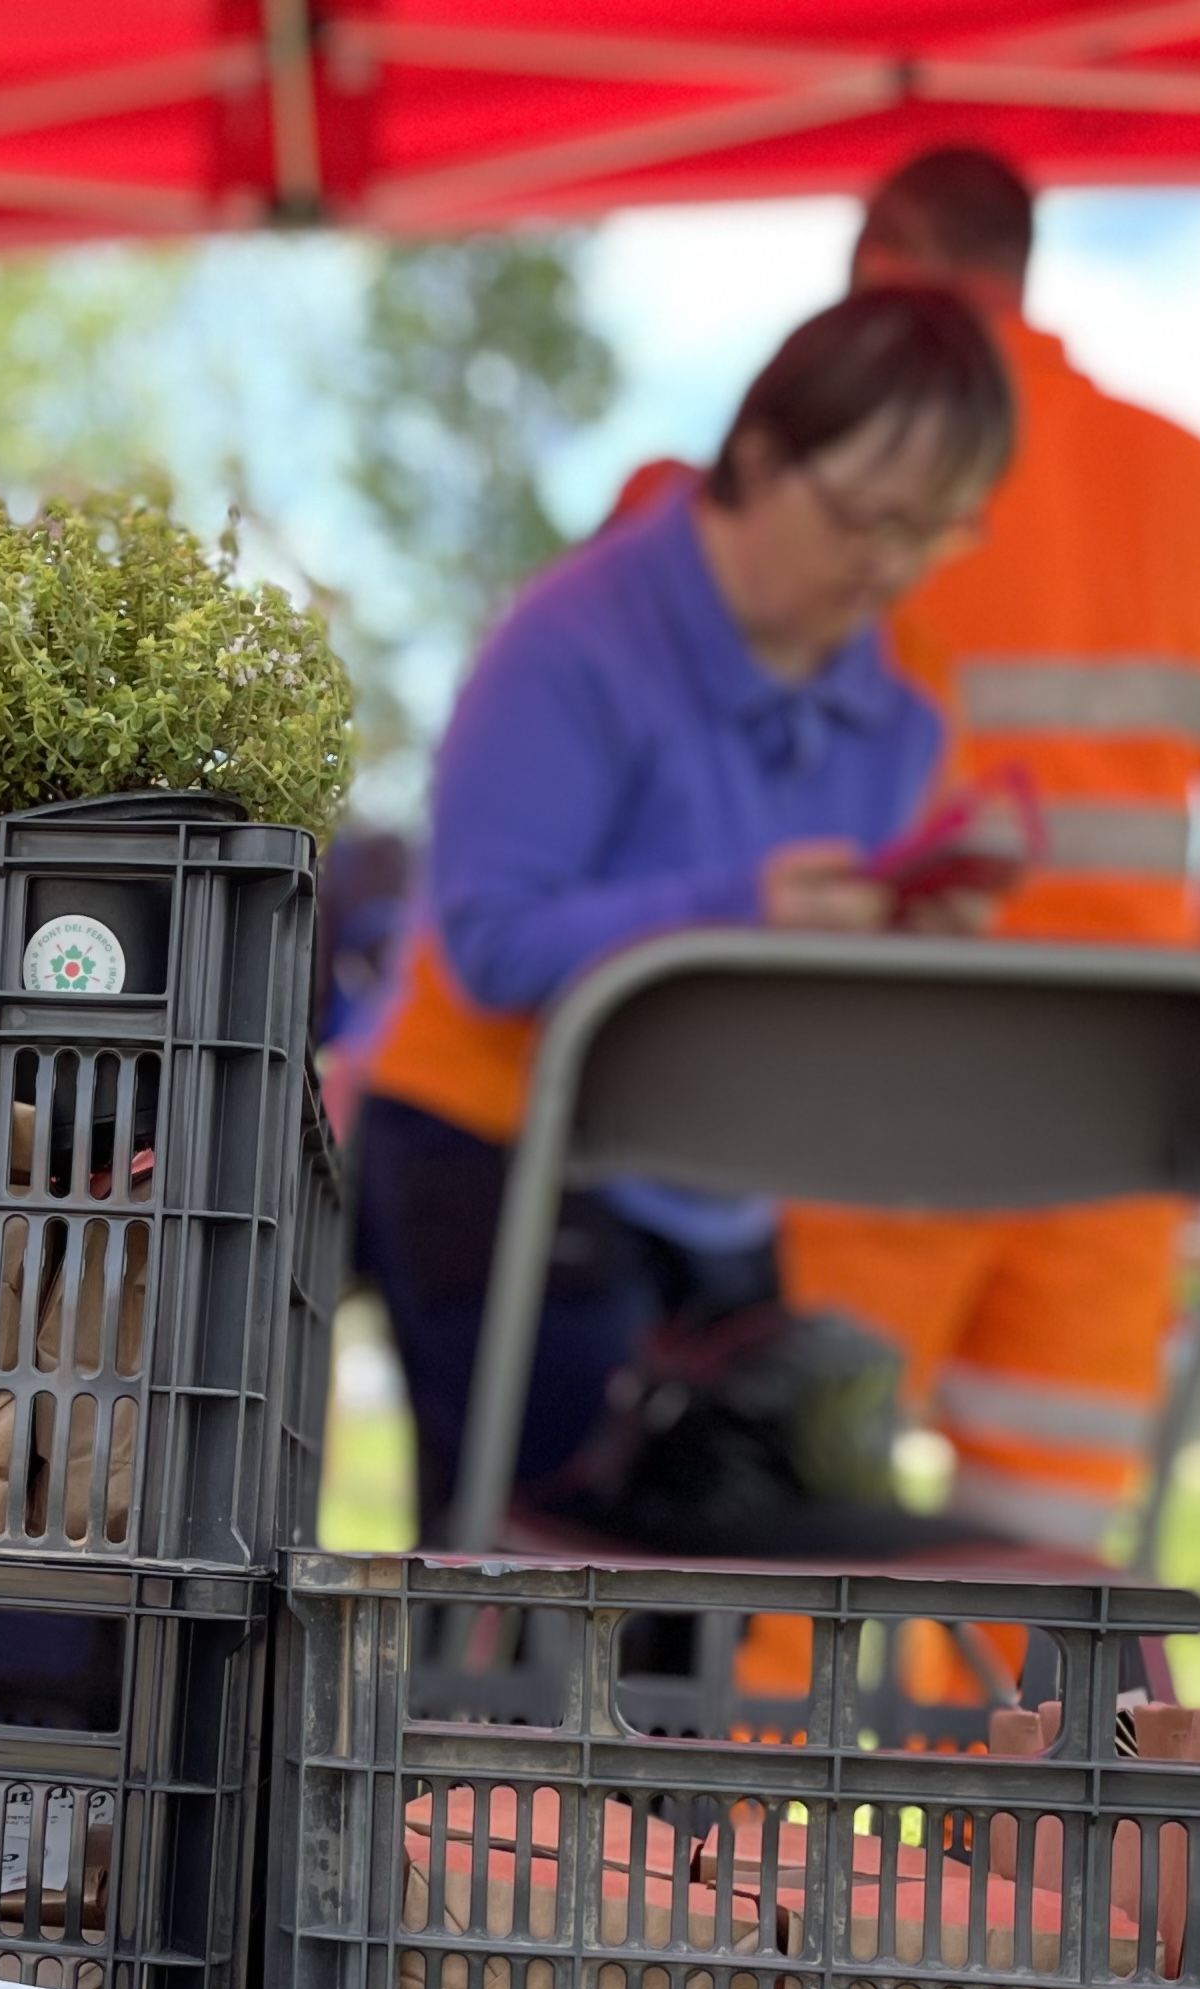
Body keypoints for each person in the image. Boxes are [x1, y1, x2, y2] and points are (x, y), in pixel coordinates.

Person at [351, 286, 1015, 1540]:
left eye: (935, 534)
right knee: (554, 1581)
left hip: (723, 1184)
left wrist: (907, 943)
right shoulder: (568, 638)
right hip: (496, 1160)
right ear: (756, 459)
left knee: (703, 1590)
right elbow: (491, 944)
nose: (889, 568)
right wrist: (740, 914)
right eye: (866, 519)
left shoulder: (914, 686)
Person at [778, 145, 1200, 1556]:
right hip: (1116, 1100)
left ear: (886, 262)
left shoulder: (853, 479)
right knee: (1051, 1573)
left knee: (789, 1541)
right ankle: (1010, 1782)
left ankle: (747, 1792)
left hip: (874, 1074)